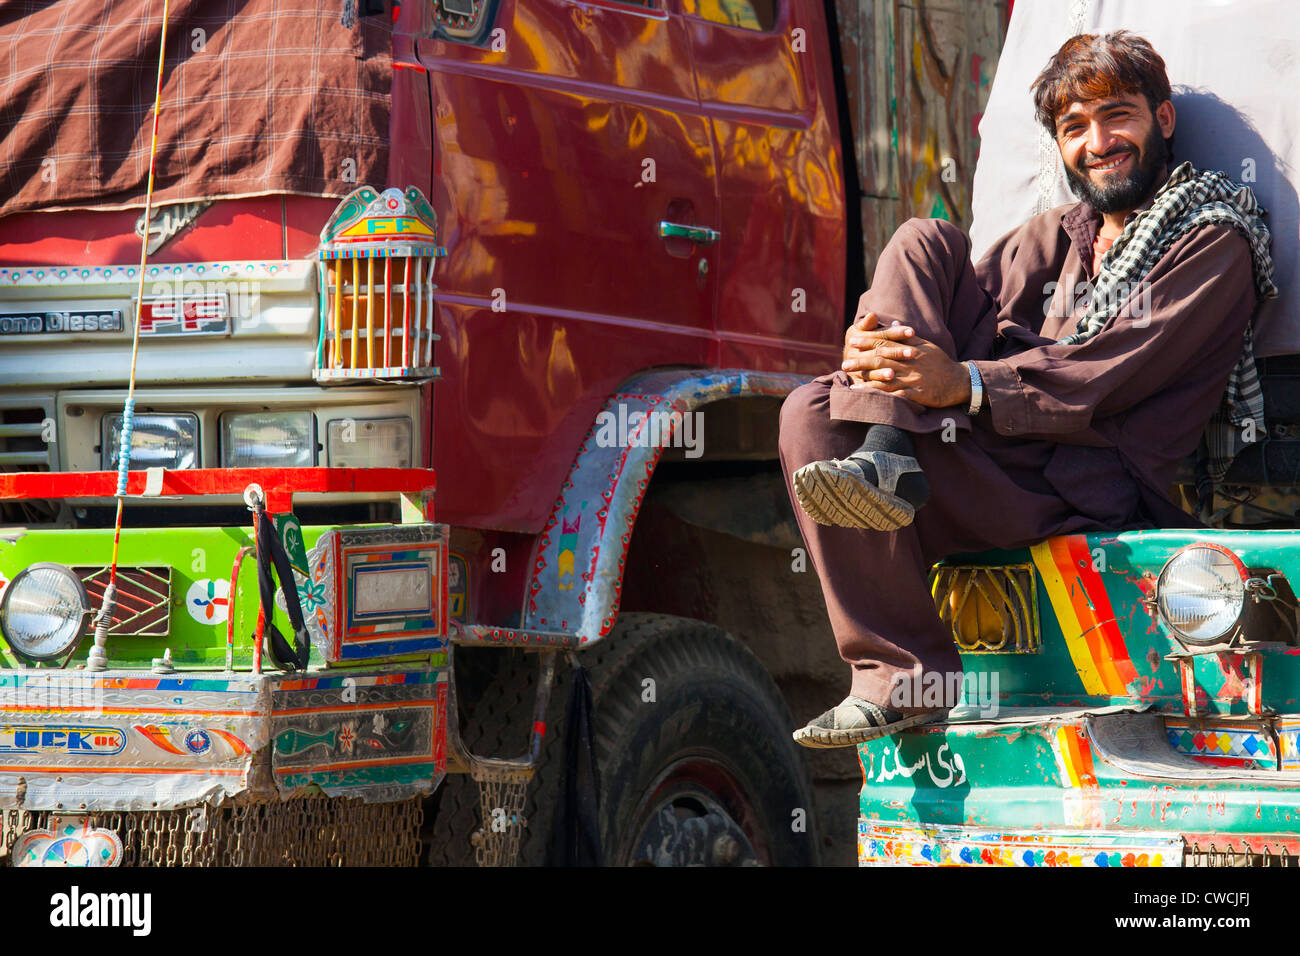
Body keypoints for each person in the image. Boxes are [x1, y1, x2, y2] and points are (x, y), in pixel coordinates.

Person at [780, 30, 1278, 748]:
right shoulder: (1051, 238)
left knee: (854, 399)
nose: (1098, 142)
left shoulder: (1210, 239)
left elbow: (1106, 373)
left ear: (1162, 120)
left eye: (1118, 117)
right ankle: (901, 672)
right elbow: (946, 328)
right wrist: (875, 351)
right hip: (1004, 460)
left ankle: (887, 449)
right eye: (1075, 128)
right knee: (819, 403)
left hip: (1090, 479)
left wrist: (961, 385)